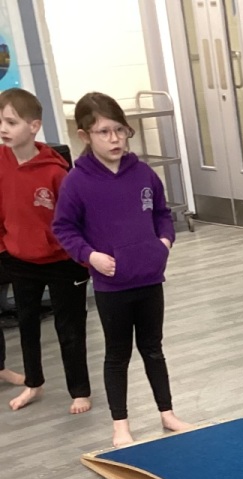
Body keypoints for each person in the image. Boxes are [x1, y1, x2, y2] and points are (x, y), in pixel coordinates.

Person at [52, 91, 191, 448]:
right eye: (103, 132)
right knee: (117, 354)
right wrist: (91, 256)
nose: (114, 139)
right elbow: (64, 228)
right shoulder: (77, 181)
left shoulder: (143, 173)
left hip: (149, 279)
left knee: (153, 349)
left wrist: (164, 242)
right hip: (112, 286)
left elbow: (162, 214)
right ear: (84, 136)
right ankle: (120, 425)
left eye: (120, 130)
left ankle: (167, 413)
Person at [0, 87, 92, 414]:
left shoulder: (56, 172)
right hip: (20, 260)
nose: (3, 129)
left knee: (70, 329)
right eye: (0, 122)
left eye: (11, 122)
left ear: (34, 126)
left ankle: (80, 391)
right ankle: (33, 383)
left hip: (63, 263)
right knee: (27, 326)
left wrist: (82, 255)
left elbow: (76, 220)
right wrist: (5, 246)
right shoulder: (1, 162)